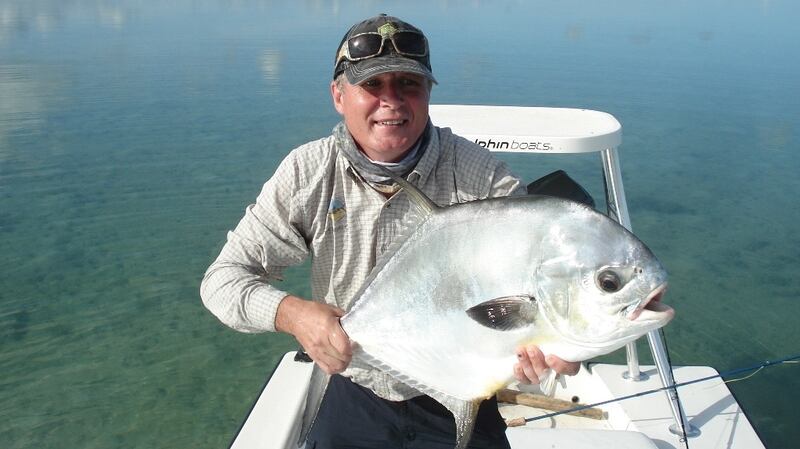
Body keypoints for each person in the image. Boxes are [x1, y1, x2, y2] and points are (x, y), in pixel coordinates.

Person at [201, 13, 580, 449]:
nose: (392, 101)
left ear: (428, 93)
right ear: (338, 95)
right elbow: (222, 282)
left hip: (459, 391)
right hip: (356, 390)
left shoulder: (481, 177)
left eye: (408, 84)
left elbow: (539, 289)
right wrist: (294, 314)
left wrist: (556, 345)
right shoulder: (308, 172)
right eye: (372, 85)